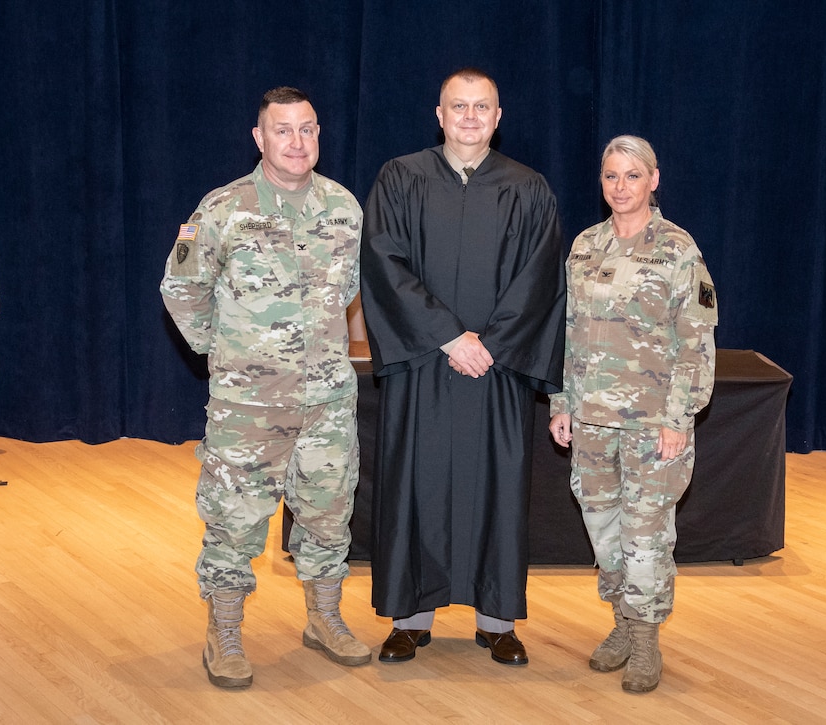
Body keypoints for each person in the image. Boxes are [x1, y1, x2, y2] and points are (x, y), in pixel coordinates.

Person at [160, 86, 371, 689]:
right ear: (260, 138)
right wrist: (227, 356)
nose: (297, 141)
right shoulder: (225, 208)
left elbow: (349, 291)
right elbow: (181, 289)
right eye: (283, 130)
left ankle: (324, 619)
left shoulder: (343, 207)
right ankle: (224, 633)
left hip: (328, 401)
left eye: (307, 129)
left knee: (329, 515)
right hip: (248, 408)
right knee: (234, 521)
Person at [360, 68, 566, 666]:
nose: (470, 117)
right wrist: (449, 336)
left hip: (495, 370)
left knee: (496, 487)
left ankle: (497, 620)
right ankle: (409, 617)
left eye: (482, 107)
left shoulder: (528, 188)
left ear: (499, 117)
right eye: (459, 106)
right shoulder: (400, 178)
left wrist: (491, 344)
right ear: (439, 113)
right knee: (413, 485)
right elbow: (382, 262)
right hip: (424, 362)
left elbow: (541, 279)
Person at [548, 135, 717, 693]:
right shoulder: (584, 246)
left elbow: (696, 341)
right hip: (592, 421)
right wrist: (561, 401)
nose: (620, 187)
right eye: (611, 177)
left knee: (646, 538)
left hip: (652, 426)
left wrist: (678, 418)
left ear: (654, 180)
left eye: (632, 176)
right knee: (605, 532)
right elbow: (567, 334)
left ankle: (646, 640)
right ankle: (621, 622)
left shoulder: (677, 249)